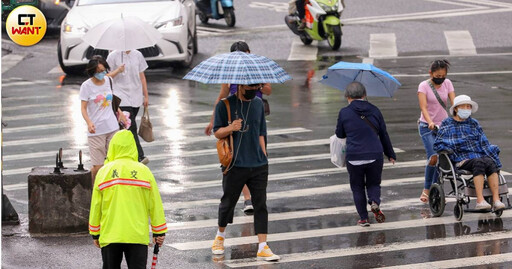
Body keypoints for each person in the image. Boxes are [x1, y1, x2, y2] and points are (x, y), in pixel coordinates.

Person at [210, 84, 279, 261]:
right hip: (235, 164)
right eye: (251, 86)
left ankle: (263, 246)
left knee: (260, 204)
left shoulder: (258, 104)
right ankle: (220, 236)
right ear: (240, 85)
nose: (255, 89)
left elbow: (261, 132)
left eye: (257, 86)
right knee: (228, 202)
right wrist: (231, 127)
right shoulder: (224, 105)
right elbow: (217, 132)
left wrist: (264, 156)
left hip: (258, 165)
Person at [204, 41, 272, 215]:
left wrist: (258, 84)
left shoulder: (258, 68)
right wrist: (213, 120)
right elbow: (222, 97)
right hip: (237, 119)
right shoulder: (230, 73)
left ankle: (255, 192)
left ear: (249, 52)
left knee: (255, 156)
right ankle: (247, 198)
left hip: (255, 117)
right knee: (238, 159)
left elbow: (269, 90)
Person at [89, 130, 167, 269]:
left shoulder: (104, 172)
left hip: (110, 235)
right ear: (133, 147)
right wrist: (158, 231)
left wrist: (95, 233)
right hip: (137, 235)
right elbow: (155, 203)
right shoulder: (144, 172)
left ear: (112, 147)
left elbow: (96, 205)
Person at [335, 82, 396, 227]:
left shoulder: (344, 112)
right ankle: (374, 201)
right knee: (374, 183)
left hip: (354, 156)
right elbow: (383, 134)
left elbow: (339, 134)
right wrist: (390, 154)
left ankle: (363, 218)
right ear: (364, 95)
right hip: (375, 154)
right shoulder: (375, 110)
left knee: (357, 187)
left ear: (347, 96)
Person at [433, 95, 506, 211]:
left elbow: (484, 142)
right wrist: (451, 149)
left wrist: (493, 155)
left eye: (469, 107)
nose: (467, 109)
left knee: (490, 163)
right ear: (456, 109)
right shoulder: (447, 124)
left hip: (478, 155)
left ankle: (496, 200)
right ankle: (480, 200)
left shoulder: (474, 123)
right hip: (461, 159)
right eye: (464, 106)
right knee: (479, 163)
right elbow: (438, 144)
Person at [80, 55, 127, 185]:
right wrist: (89, 123)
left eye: (104, 70)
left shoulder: (109, 81)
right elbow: (83, 108)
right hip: (96, 130)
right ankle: (93, 188)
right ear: (92, 71)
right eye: (98, 71)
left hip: (112, 128)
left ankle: (110, 188)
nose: (102, 73)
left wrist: (120, 113)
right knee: (98, 167)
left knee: (113, 162)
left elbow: (111, 102)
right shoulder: (86, 86)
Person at [417, 59, 455, 203]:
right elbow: (424, 107)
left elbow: (453, 102)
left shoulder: (448, 83)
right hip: (427, 126)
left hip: (444, 126)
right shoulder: (423, 86)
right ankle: (427, 189)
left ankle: (436, 188)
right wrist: (431, 122)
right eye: (437, 76)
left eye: (442, 75)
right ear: (431, 73)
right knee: (433, 156)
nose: (440, 78)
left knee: (442, 158)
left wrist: (458, 114)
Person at [107, 49, 150, 165]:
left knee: (126, 128)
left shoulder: (138, 55)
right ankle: (139, 156)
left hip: (135, 97)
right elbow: (106, 76)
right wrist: (118, 70)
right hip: (121, 97)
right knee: (130, 126)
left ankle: (123, 154)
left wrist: (145, 96)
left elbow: (142, 77)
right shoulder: (113, 56)